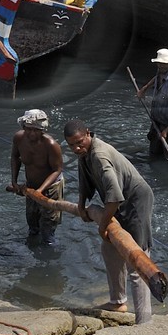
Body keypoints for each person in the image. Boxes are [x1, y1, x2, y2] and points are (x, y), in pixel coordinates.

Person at [64, 120, 154, 323]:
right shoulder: (84, 153)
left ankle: (144, 320)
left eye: (79, 142)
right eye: (71, 145)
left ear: (88, 134)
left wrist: (103, 225)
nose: (77, 148)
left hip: (135, 201)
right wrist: (80, 204)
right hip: (116, 203)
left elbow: (115, 196)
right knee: (109, 249)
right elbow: (84, 181)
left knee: (137, 260)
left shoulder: (100, 155)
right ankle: (118, 301)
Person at [7, 109, 65, 245]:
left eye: (36, 130)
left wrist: (40, 190)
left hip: (51, 187)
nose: (32, 133)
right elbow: (15, 158)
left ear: (42, 130)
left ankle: (47, 259)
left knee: (48, 231)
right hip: (31, 186)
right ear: (23, 127)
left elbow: (57, 170)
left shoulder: (51, 145)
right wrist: (14, 181)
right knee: (32, 224)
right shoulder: (19, 138)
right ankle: (31, 250)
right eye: (29, 129)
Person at [138, 48, 168, 161]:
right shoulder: (161, 71)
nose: (161, 66)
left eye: (164, 64)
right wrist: (144, 89)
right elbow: (156, 78)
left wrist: (166, 130)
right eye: (159, 63)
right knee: (154, 154)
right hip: (157, 122)